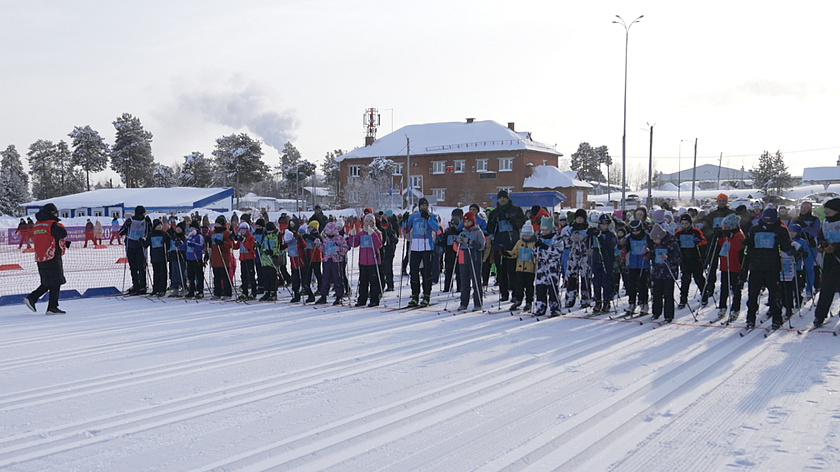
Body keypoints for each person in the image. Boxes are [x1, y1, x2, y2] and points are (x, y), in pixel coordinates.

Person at [742, 208, 791, 330]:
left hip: (772, 266)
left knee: (775, 294)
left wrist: (782, 241)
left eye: (771, 222)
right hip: (756, 266)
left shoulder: (780, 229)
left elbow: (786, 247)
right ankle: (750, 318)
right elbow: (750, 246)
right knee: (753, 294)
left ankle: (777, 318)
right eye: (766, 221)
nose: (768, 224)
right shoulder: (755, 229)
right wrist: (747, 243)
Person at [24, 203, 69, 315]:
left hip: (41, 256)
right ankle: (41, 302)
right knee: (56, 280)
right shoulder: (52, 224)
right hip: (52, 255)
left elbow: (46, 238)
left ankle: (43, 302)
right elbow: (63, 234)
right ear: (52, 213)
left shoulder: (38, 224)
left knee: (49, 281)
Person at [487, 190, 526, 303]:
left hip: (513, 243)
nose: (502, 200)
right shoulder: (494, 212)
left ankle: (515, 293)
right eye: (500, 198)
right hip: (499, 243)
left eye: (504, 198)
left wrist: (512, 219)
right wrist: (493, 221)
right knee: (501, 270)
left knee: (513, 270)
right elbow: (489, 229)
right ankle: (503, 293)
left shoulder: (516, 210)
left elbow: (522, 224)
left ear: (508, 198)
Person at [405, 198, 441, 307]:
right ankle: (415, 295)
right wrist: (404, 222)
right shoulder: (414, 216)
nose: (424, 207)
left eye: (426, 205)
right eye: (422, 205)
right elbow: (406, 230)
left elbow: (438, 230)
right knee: (414, 271)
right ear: (419, 206)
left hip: (427, 246)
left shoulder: (432, 216)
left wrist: (429, 219)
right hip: (415, 247)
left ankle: (426, 295)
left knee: (426, 272)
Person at [813, 199, 840, 328]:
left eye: (828, 209)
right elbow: (821, 237)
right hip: (830, 260)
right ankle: (819, 316)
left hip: (838, 256)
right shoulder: (825, 222)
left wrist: (835, 247)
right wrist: (822, 244)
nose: (825, 211)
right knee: (826, 288)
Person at [647, 223, 681, 323]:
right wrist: (648, 253)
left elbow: (678, 258)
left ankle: (668, 315)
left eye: (655, 239)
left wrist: (668, 258)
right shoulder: (656, 244)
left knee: (668, 294)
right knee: (656, 293)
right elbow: (653, 255)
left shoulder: (672, 244)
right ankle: (656, 312)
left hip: (669, 273)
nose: (654, 242)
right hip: (657, 272)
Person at [673, 214, 708, 309]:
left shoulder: (695, 231)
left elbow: (704, 241)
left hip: (695, 258)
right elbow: (674, 244)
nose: (684, 225)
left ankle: (704, 296)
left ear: (690, 223)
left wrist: (699, 241)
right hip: (684, 259)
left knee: (699, 278)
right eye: (682, 223)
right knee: (685, 280)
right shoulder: (678, 233)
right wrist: (677, 243)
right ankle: (683, 299)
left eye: (686, 223)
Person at [349, 214, 384, 307]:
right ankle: (362, 299)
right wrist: (351, 236)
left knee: (374, 281)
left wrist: (372, 234)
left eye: (370, 222)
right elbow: (354, 244)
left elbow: (379, 244)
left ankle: (374, 299)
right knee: (363, 281)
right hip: (363, 261)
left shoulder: (377, 232)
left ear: (373, 223)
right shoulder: (361, 234)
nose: (368, 223)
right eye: (366, 221)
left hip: (373, 261)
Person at [561, 209, 593, 309]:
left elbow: (592, 243)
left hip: (584, 256)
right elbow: (563, 241)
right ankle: (570, 298)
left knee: (585, 277)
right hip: (573, 256)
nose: (579, 220)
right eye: (578, 218)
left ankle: (585, 298)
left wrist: (584, 239)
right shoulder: (570, 229)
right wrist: (570, 239)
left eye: (581, 218)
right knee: (571, 277)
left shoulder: (588, 230)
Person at [717, 214, 746, 320]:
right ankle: (722, 306)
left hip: (735, 266)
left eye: (726, 227)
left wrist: (731, 238)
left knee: (736, 288)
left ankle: (735, 308)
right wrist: (720, 237)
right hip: (725, 265)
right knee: (724, 287)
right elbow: (723, 246)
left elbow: (739, 248)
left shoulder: (738, 235)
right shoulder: (726, 235)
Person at [533, 215, 564, 317]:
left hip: (552, 267)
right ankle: (540, 307)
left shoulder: (557, 239)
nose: (544, 232)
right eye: (542, 230)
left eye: (546, 230)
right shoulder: (540, 238)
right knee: (540, 288)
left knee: (552, 288)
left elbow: (558, 252)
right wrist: (536, 248)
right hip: (542, 267)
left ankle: (555, 308)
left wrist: (546, 247)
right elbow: (534, 252)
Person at [455, 211, 486, 311]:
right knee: (464, 281)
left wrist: (469, 242)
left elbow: (481, 246)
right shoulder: (462, 232)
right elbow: (455, 248)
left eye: (468, 221)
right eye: (465, 222)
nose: (466, 224)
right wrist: (457, 242)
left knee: (476, 280)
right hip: (463, 258)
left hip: (475, 257)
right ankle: (464, 303)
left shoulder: (478, 231)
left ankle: (478, 303)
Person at [314, 222, 349, 305]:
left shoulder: (340, 239)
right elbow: (323, 249)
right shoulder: (326, 240)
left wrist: (339, 249)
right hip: (327, 260)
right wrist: (319, 245)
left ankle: (339, 296)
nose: (329, 233)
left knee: (337, 278)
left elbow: (345, 248)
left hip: (336, 261)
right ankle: (323, 295)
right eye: (327, 231)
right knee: (325, 278)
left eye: (330, 231)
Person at [506, 221, 537, 312]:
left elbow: (537, 255)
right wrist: (506, 253)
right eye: (524, 235)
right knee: (519, 285)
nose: (526, 237)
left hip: (530, 269)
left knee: (529, 286)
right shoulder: (520, 242)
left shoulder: (534, 243)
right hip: (520, 268)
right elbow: (514, 253)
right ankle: (518, 300)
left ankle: (529, 302)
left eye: (528, 235)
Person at [119, 206, 151, 295]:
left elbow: (150, 232)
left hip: (141, 246)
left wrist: (149, 223)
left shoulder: (145, 221)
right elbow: (120, 232)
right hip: (131, 245)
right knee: (133, 266)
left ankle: (142, 285)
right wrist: (126, 226)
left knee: (142, 266)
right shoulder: (130, 220)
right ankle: (136, 284)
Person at [793, 201, 821, 300]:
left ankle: (809, 289)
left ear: (810, 208)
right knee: (797, 268)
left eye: (806, 207)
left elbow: (816, 233)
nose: (804, 209)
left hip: (810, 245)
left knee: (809, 268)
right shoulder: (796, 219)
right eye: (802, 207)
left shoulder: (814, 219)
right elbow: (791, 231)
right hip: (797, 245)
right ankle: (797, 288)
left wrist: (805, 226)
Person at [590, 213, 617, 314]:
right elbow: (589, 243)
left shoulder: (611, 235)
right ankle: (598, 301)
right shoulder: (596, 233)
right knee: (596, 282)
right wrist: (590, 234)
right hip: (596, 260)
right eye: (602, 224)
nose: (604, 226)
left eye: (606, 224)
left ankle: (606, 302)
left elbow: (609, 245)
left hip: (607, 260)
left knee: (606, 282)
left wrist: (600, 236)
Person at [625, 219, 651, 315]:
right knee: (632, 284)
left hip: (644, 264)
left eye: (637, 230)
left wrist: (648, 252)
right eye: (633, 230)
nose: (635, 232)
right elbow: (626, 248)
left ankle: (644, 303)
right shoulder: (629, 237)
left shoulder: (647, 237)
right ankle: (632, 303)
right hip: (633, 264)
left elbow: (652, 248)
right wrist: (623, 251)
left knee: (643, 284)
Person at [209, 215, 234, 300]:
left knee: (225, 276)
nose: (217, 225)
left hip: (224, 257)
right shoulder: (213, 233)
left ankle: (227, 293)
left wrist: (222, 243)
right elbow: (211, 245)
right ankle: (217, 292)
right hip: (215, 257)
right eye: (216, 223)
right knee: (216, 277)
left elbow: (230, 245)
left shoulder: (226, 233)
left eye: (219, 224)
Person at [233, 222, 257, 301]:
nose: (242, 231)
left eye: (243, 230)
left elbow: (250, 247)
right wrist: (232, 239)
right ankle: (245, 292)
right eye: (241, 229)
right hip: (243, 258)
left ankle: (253, 292)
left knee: (251, 275)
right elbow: (236, 247)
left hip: (249, 258)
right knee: (244, 276)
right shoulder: (241, 237)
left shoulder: (251, 237)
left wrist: (244, 240)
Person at [184, 220, 206, 299]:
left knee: (199, 274)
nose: (192, 229)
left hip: (197, 258)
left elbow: (201, 247)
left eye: (194, 228)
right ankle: (191, 290)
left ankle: (200, 290)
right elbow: (185, 246)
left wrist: (194, 245)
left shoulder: (199, 236)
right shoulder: (189, 237)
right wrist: (179, 245)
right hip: (189, 258)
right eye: (191, 228)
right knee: (190, 275)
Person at [259, 222, 280, 302]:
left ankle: (273, 292)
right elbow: (263, 247)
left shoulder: (277, 236)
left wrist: (272, 252)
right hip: (265, 260)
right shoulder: (266, 237)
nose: (269, 232)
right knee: (265, 276)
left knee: (273, 276)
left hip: (272, 259)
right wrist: (260, 247)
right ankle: (267, 292)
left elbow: (278, 247)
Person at [148, 219, 170, 297]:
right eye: (158, 225)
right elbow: (146, 243)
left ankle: (162, 289)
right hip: (154, 256)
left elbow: (168, 244)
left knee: (163, 273)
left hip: (162, 256)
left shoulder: (164, 234)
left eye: (160, 225)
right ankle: (155, 288)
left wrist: (166, 242)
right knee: (156, 273)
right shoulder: (151, 234)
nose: (160, 227)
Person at [167, 221, 187, 297]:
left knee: (181, 272)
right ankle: (175, 288)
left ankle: (184, 287)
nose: (178, 229)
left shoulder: (183, 237)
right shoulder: (173, 236)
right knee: (174, 273)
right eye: (177, 228)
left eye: (180, 228)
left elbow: (184, 246)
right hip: (173, 256)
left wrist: (179, 243)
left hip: (181, 257)